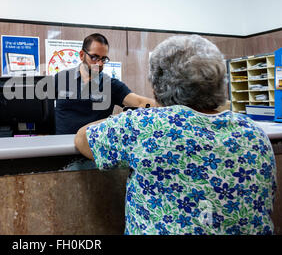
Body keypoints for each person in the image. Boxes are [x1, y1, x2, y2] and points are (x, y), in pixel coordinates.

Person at [74, 34, 277, 235]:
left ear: (157, 85)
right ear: (219, 82)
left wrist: (123, 119)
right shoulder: (255, 133)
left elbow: (83, 139)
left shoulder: (144, 125)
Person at [54, 33, 156, 135]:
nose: (100, 64)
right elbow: (43, 112)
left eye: (103, 59)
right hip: (61, 147)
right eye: (94, 57)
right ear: (81, 55)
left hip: (93, 148)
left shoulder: (112, 85)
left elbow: (139, 102)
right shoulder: (60, 78)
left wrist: (169, 107)